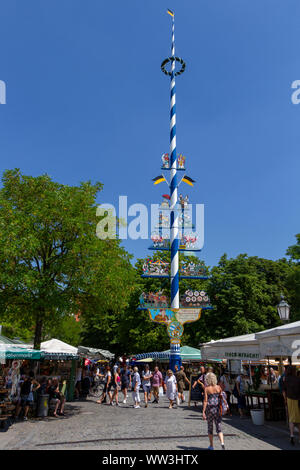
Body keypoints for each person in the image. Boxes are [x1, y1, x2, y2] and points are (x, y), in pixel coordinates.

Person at [203, 372, 225, 450]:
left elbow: (205, 401)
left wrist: (203, 412)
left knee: (210, 427)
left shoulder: (206, 388)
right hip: (217, 409)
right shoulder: (219, 387)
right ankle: (222, 443)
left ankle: (211, 445)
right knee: (219, 427)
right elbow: (221, 397)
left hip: (209, 409)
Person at [282, 365, 300, 445]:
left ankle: (292, 435)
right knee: (299, 420)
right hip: (298, 400)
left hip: (289, 399)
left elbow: (283, 391)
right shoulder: (298, 379)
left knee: (291, 418)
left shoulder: (285, 379)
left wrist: (285, 399)